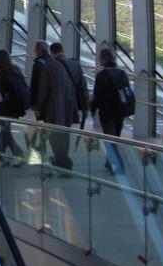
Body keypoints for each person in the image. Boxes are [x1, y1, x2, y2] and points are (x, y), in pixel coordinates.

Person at [35, 42, 87, 171]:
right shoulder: (75, 64)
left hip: (53, 108)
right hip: (70, 106)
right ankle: (61, 159)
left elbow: (43, 90)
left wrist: (39, 108)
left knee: (54, 135)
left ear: (52, 52)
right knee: (65, 133)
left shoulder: (49, 66)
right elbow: (82, 87)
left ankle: (63, 161)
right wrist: (85, 106)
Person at [90, 46, 130, 174]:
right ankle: (109, 161)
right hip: (120, 110)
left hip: (106, 111)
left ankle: (119, 165)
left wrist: (92, 108)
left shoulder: (101, 75)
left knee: (110, 138)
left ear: (103, 59)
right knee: (115, 137)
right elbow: (127, 91)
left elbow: (97, 94)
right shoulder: (122, 73)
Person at [0, 49, 28, 165]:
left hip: (3, 105)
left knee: (4, 129)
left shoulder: (0, 72)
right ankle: (1, 152)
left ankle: (17, 153)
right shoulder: (15, 69)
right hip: (15, 104)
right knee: (4, 129)